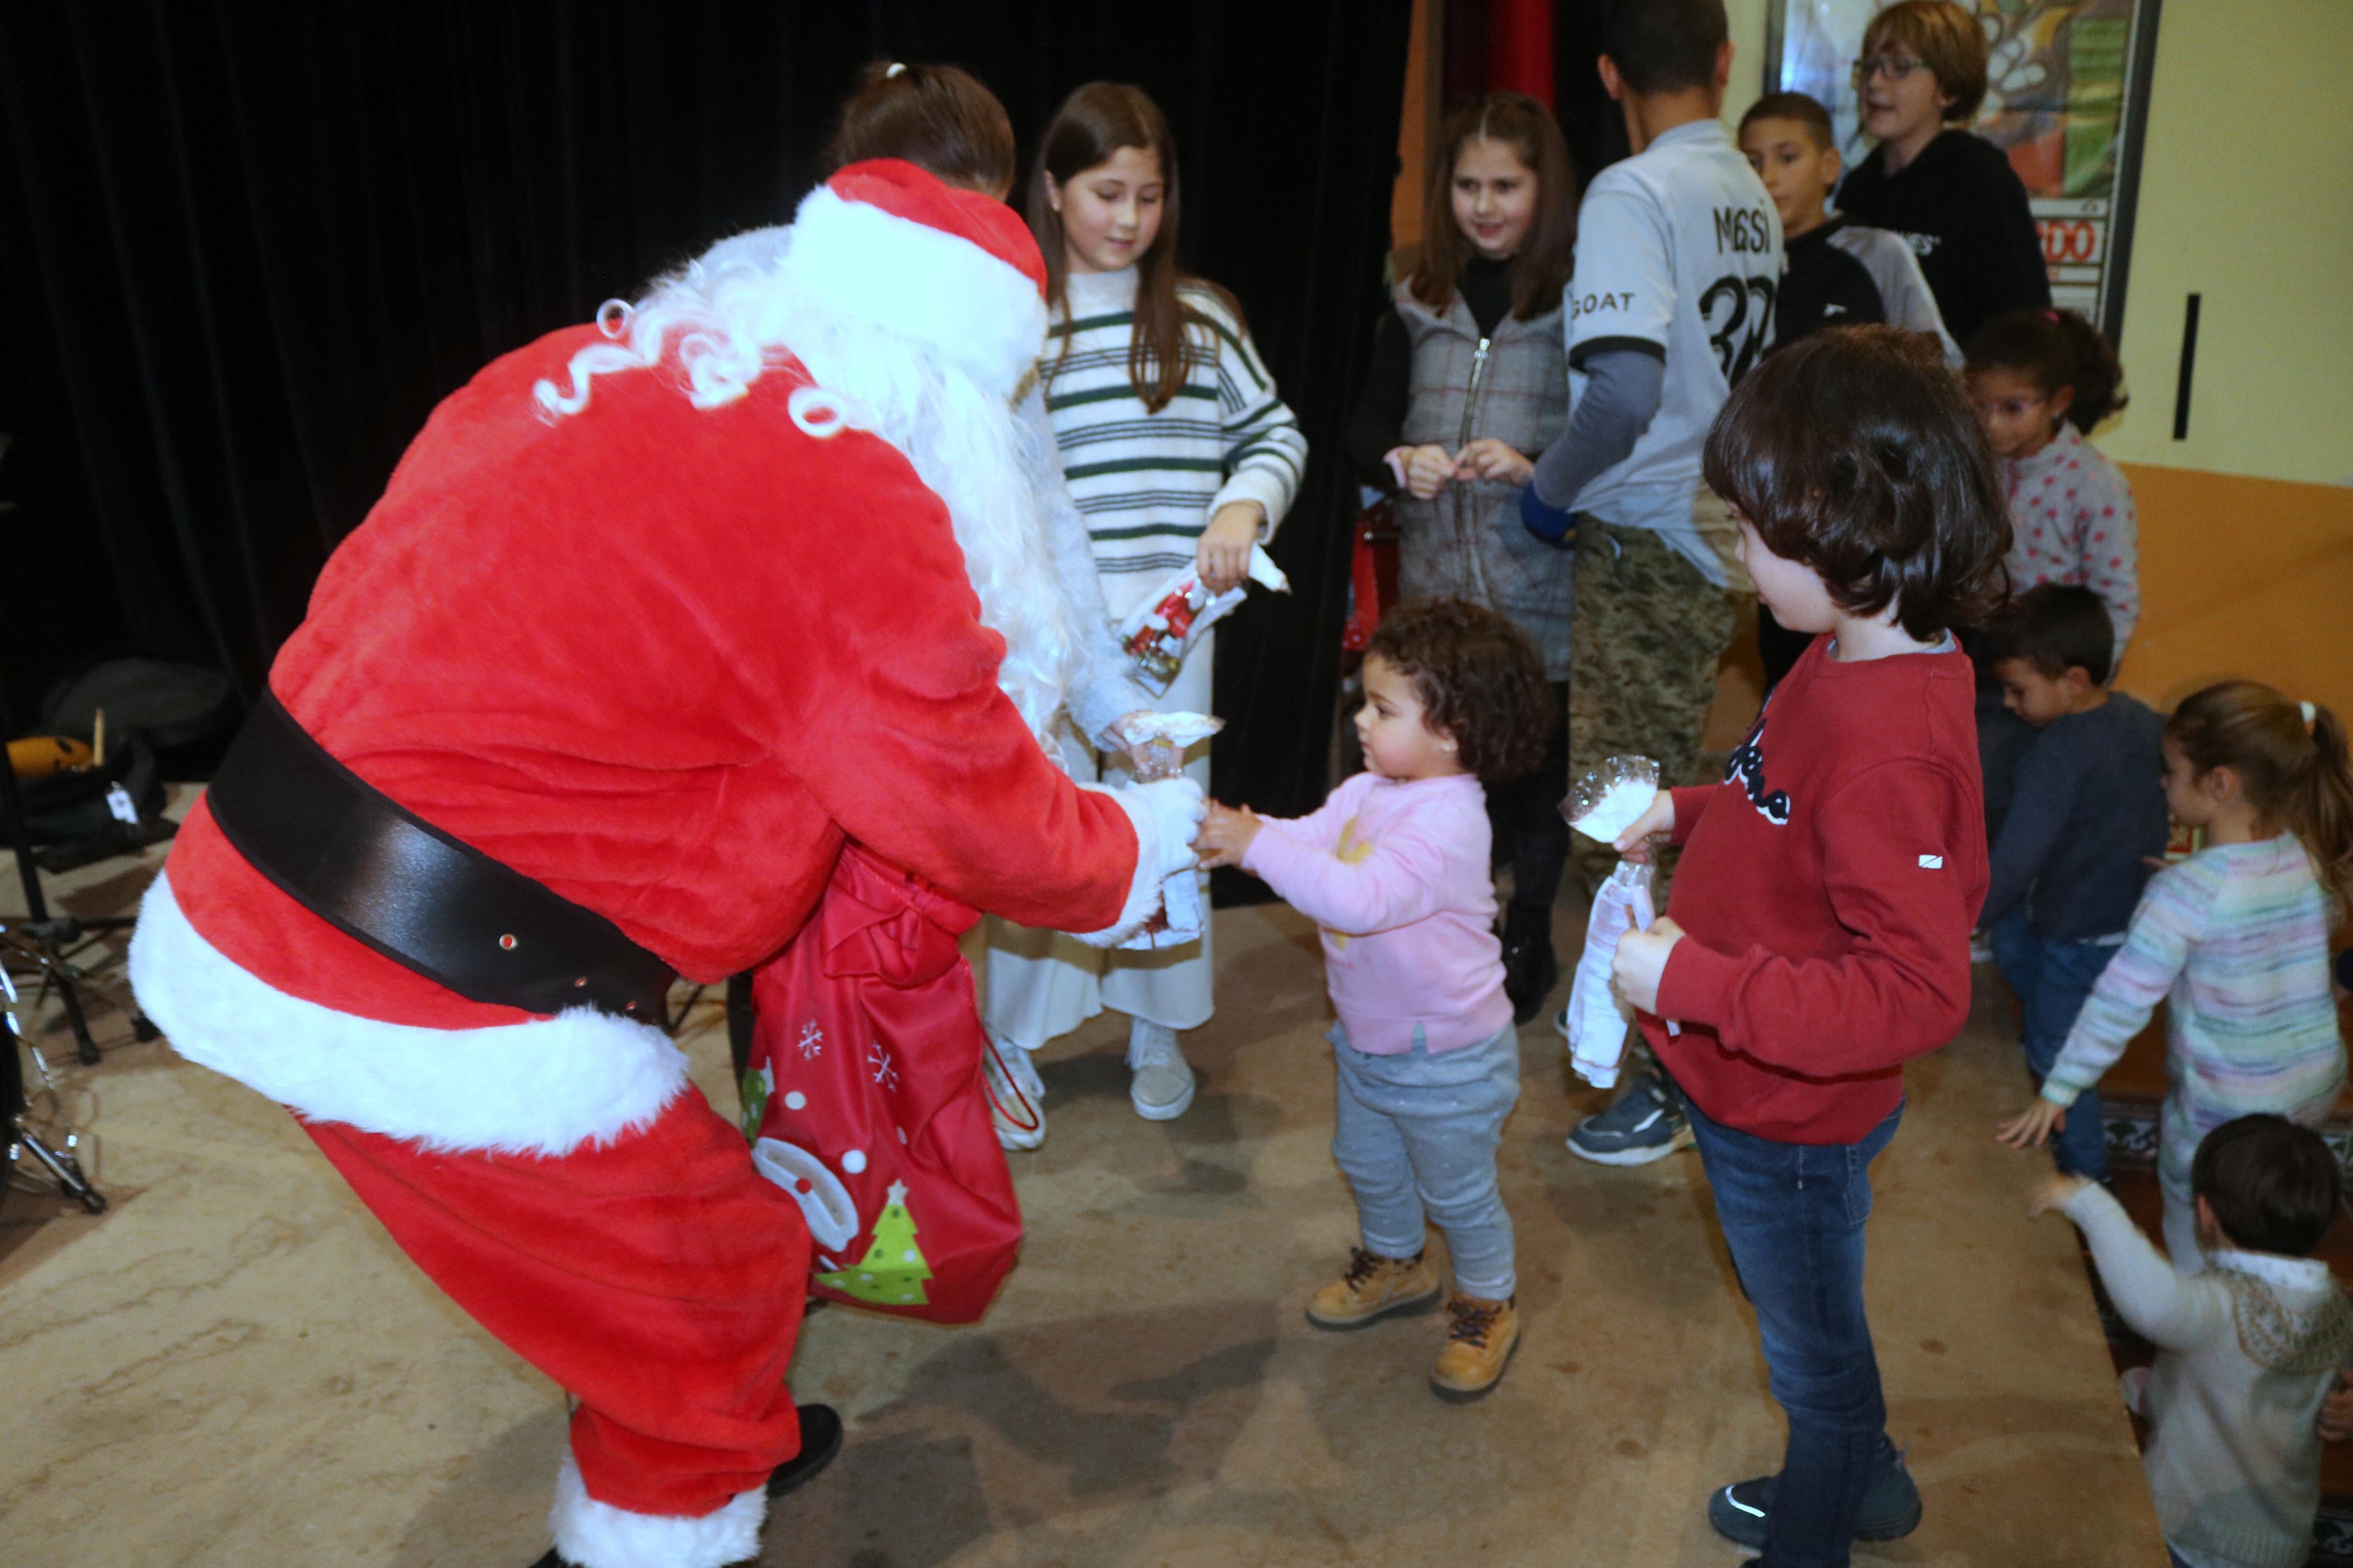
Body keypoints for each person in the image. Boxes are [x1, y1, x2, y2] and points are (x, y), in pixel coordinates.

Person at [125, 95, 1209, 1568]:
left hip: (240, 879)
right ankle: (662, 1511)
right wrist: (1138, 836)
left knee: (624, 1253)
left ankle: (685, 1432)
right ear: (957, 398)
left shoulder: (566, 368)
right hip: (431, 990)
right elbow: (980, 817)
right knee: (709, 1293)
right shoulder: (854, 502)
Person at [1606, 326, 2009, 1561]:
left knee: (1812, 1359)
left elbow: (1911, 993)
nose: (1737, 557)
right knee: (1799, 1310)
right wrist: (1687, 811)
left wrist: (1691, 981)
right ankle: (1869, 1481)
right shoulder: (1844, 653)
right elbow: (1780, 797)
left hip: (1791, 1121)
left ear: (1849, 527)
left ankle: (1819, 1528)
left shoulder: (1891, 741)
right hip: (1747, 1092)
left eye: (1750, 533)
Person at [980, 81, 1308, 1143]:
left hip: (1178, 639)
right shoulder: (1021, 326)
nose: (1127, 219)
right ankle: (1013, 1037)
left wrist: (1241, 507)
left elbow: (1274, 435)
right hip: (1056, 639)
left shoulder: (1202, 320)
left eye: (1149, 196)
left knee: (1167, 828)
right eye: (1105, 192)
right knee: (1048, 833)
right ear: (1052, 188)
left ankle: (1155, 1025)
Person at [1517, 0, 1782, 1165]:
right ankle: (1676, 1042)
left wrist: (1549, 492)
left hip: (1646, 540)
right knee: (1667, 802)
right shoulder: (1744, 186)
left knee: (1624, 830)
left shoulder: (1631, 193)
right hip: (1720, 534)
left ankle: (1675, 1070)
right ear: (1721, 64)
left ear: (1607, 72)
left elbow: (1618, 394)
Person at [1197, 598, 1553, 1401]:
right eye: (1363, 700)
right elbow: (1313, 839)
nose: (1359, 718)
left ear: (1452, 732)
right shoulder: (1371, 786)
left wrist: (1256, 847)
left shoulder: (1449, 821)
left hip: (1447, 1054)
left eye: (1382, 708)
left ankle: (1486, 1303)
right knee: (1365, 1159)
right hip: (1367, 1037)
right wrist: (1249, 833)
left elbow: (1356, 897)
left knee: (1457, 1191)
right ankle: (1396, 1261)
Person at [1344, 90, 1578, 1023]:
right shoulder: (1414, 296)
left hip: (1538, 590)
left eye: (1506, 186)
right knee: (1446, 774)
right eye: (1467, 185)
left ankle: (1528, 927)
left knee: (1533, 777)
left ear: (1543, 190)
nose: (1484, 206)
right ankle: (1450, 923)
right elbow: (1362, 424)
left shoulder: (1572, 304)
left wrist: (1536, 471)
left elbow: (1608, 441)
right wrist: (1401, 459)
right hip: (1440, 589)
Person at [1997, 681, 2352, 1271]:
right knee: (2266, 1207)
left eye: (2170, 770)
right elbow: (2259, 909)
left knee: (2195, 1224)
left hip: (2224, 1109)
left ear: (2218, 785)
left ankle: (2196, 1330)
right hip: (2311, 1087)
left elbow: (2117, 1002)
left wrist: (2059, 1087)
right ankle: (2274, 1298)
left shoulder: (2185, 893)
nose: (2162, 782)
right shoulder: (2301, 855)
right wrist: (2196, 884)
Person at [2029, 1115, 2353, 1568]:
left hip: (2197, 1535)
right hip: (2281, 1537)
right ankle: (2157, 1393)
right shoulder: (2334, 1301)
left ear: (2204, 1213)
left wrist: (2089, 1204)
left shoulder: (2221, 1306)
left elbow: (2155, 1303)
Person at [1736, 87, 1955, 691]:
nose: (1768, 176)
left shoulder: (1874, 253)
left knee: (1863, 676)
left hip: (1861, 517)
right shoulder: (1735, 265)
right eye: (1751, 161)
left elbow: (1937, 367)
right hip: (1775, 516)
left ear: (1829, 166)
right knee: (1787, 677)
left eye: (1786, 157)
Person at [1977, 584, 2169, 1184]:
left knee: (2057, 1052)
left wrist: (1962, 913)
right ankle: (2051, 1023)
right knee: (2012, 938)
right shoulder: (2142, 721)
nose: (2009, 705)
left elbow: (2016, 856)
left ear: (2073, 680)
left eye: (2018, 690)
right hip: (2125, 918)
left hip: (2075, 931)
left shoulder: (2054, 754)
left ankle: (2085, 1173)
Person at [1836, 0, 2051, 350]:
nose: (1874, 83)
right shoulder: (1860, 185)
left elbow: (2022, 320)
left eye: (1899, 68)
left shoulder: (1981, 180)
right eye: (1870, 66)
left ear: (1948, 89)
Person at [1965, 307, 2137, 653]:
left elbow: (2117, 600)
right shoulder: (1979, 464)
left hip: (2051, 666)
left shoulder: (2096, 484)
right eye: (1979, 405)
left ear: (2059, 401)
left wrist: (2083, 682)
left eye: (2012, 408)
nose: (1991, 424)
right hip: (1983, 651)